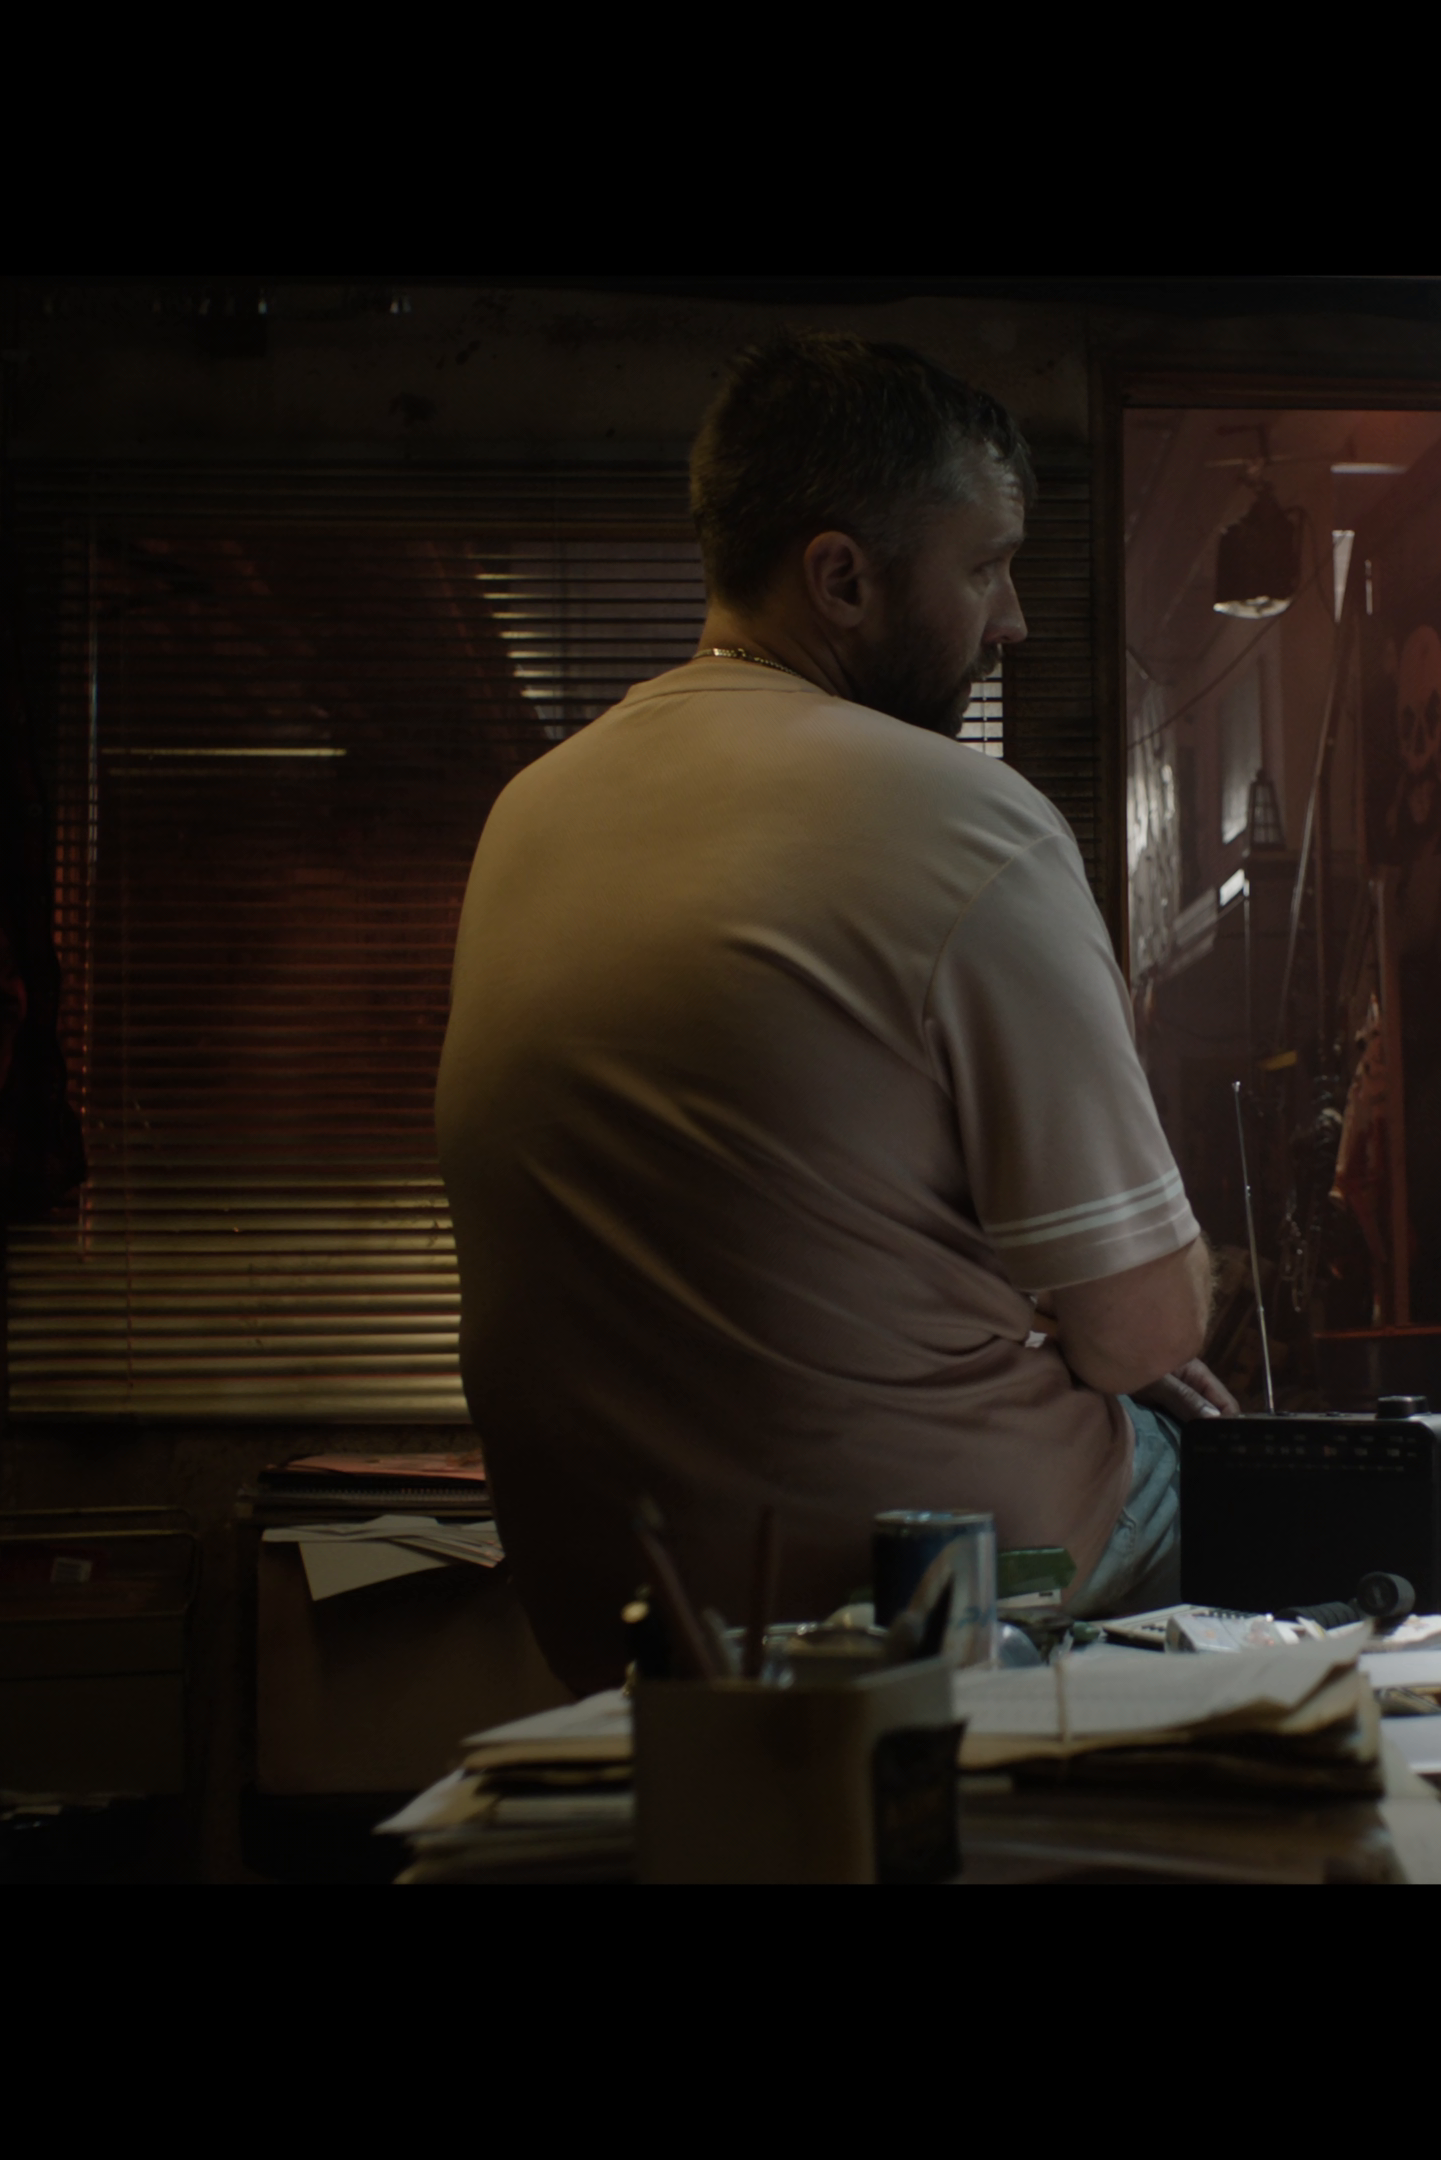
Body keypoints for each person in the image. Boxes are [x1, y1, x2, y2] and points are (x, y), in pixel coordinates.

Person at [435, 334, 1231, 1691]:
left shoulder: (529, 813)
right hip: (925, 1597)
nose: (1014, 621)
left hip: (617, 1613)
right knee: (1255, 1492)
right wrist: (1093, 1323)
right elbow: (1146, 1333)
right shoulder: (968, 821)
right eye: (984, 568)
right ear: (843, 579)